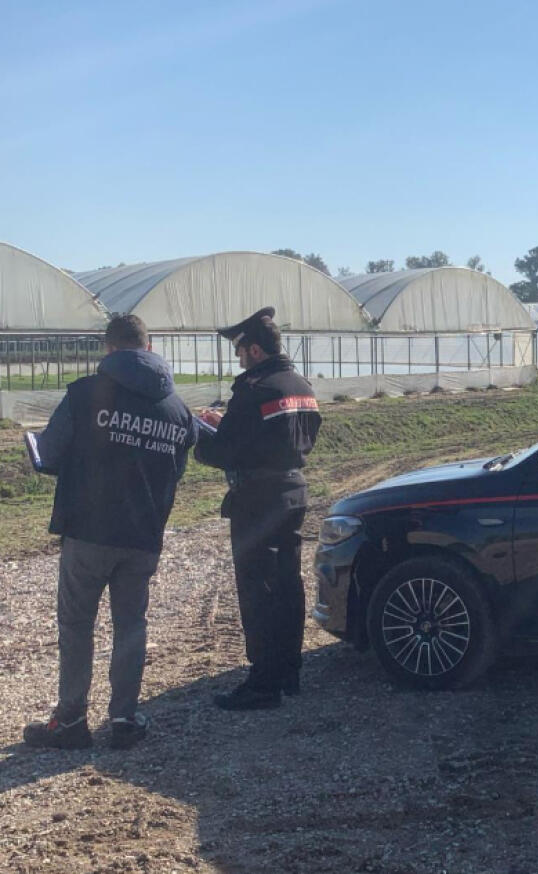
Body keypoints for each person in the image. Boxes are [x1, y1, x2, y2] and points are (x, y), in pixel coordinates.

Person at [23, 315, 197, 750]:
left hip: (88, 531)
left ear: (109, 349)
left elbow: (49, 455)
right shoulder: (177, 408)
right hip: (142, 537)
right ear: (149, 346)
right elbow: (177, 468)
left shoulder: (85, 394)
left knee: (77, 624)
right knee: (131, 624)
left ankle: (70, 721)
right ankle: (124, 718)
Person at [194, 307, 321, 710]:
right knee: (288, 585)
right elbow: (298, 434)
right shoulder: (300, 384)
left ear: (254, 350)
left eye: (239, 352)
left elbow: (227, 450)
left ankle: (262, 683)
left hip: (257, 499)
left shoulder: (256, 388)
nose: (238, 359)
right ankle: (289, 672)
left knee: (258, 590)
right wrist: (229, 422)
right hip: (293, 490)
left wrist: (204, 433)